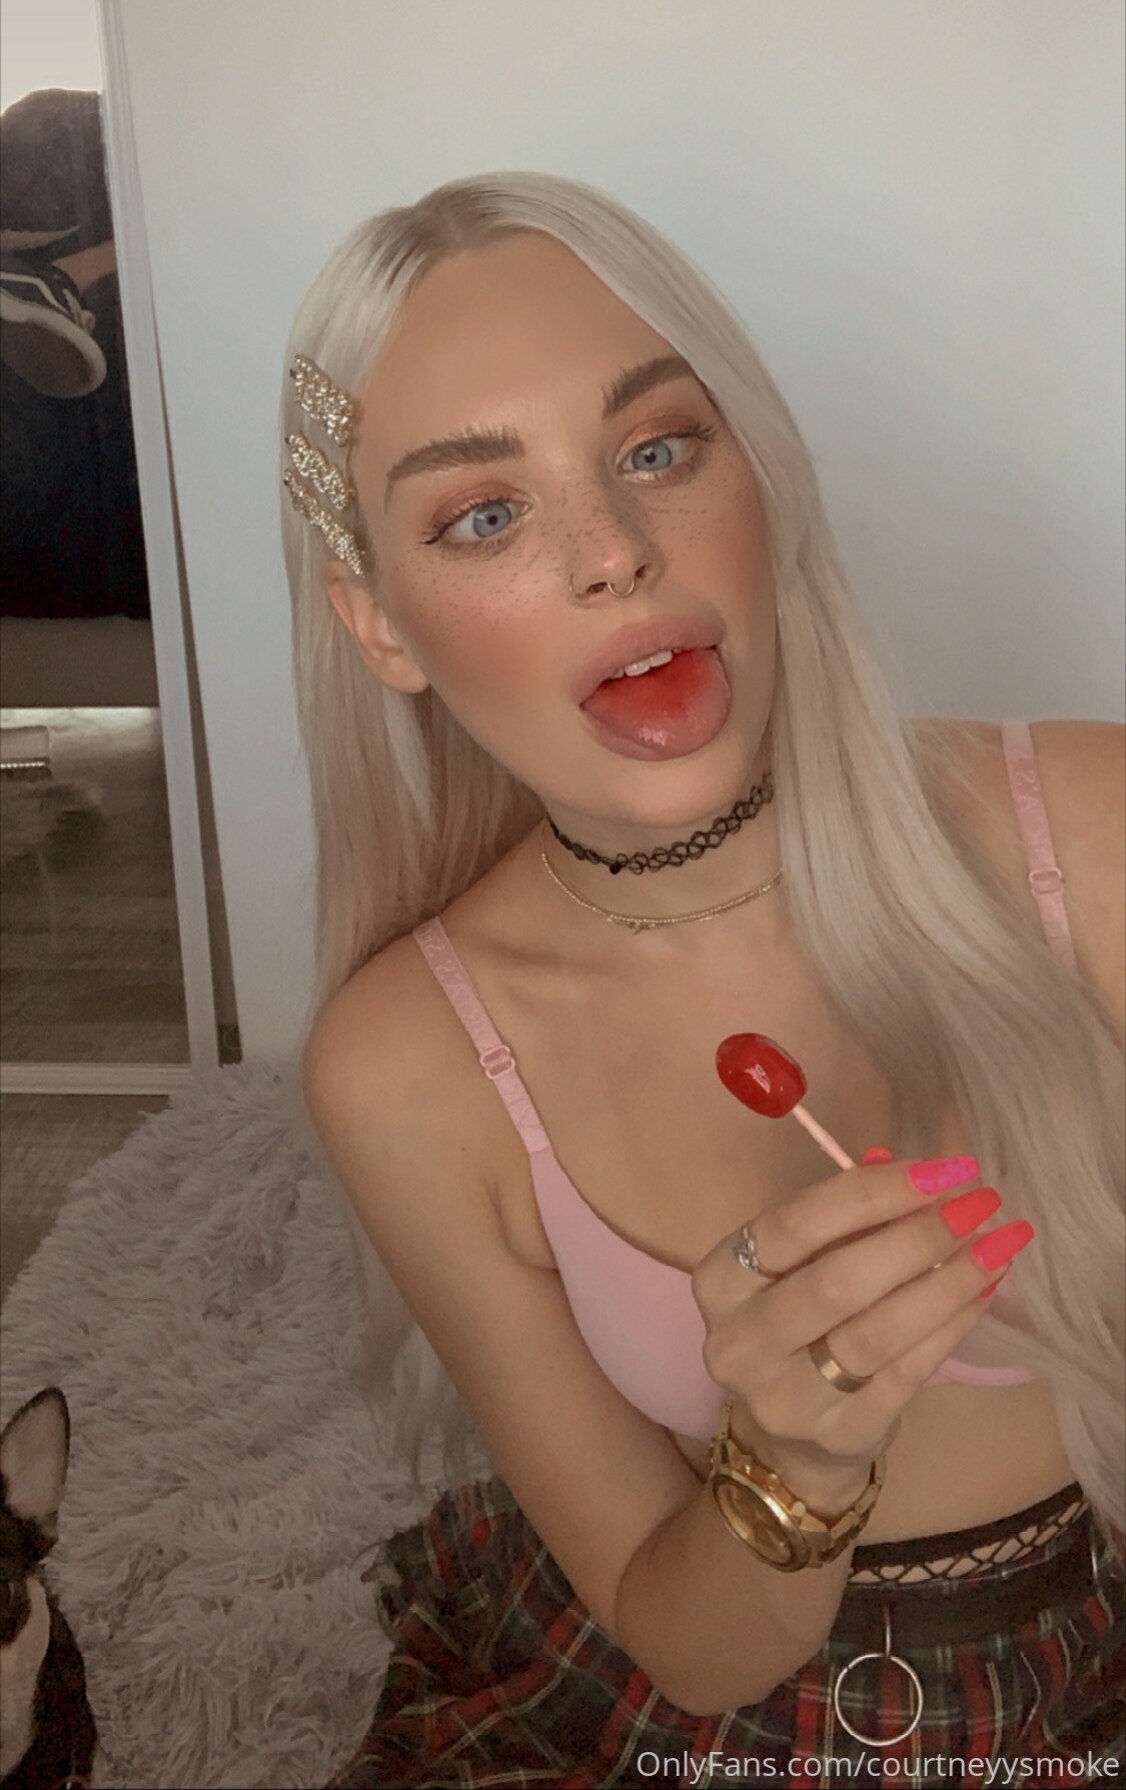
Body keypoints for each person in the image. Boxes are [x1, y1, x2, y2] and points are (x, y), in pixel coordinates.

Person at [284, 174, 1124, 1787]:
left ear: (761, 473)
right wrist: (792, 1457)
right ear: (380, 623)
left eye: (658, 448)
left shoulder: (1084, 830)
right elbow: (691, 1638)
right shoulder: (401, 1065)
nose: (611, 552)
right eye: (482, 514)